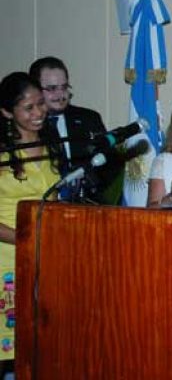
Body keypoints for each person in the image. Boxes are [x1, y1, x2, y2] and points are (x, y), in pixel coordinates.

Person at [0, 72, 62, 371]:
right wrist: (23, 239)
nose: (39, 113)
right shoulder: (2, 154)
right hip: (7, 258)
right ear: (6, 112)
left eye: (41, 104)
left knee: (41, 345)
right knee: (9, 347)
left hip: (45, 255)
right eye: (29, 108)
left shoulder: (53, 146)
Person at [29, 56, 119, 203]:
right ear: (35, 90)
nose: (60, 95)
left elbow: (110, 163)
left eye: (64, 87)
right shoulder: (30, 126)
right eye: (52, 89)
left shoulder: (88, 119)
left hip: (86, 205)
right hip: (43, 204)